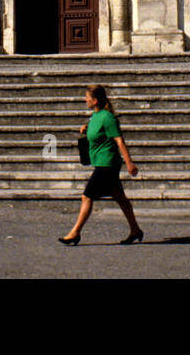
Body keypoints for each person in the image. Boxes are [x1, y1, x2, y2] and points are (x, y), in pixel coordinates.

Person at [58, 83, 143, 246]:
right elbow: (97, 130)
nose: (85, 100)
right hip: (100, 162)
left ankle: (75, 232)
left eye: (87, 98)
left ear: (95, 100)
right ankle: (135, 229)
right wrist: (86, 129)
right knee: (119, 197)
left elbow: (119, 141)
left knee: (87, 196)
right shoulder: (95, 116)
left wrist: (129, 163)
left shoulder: (108, 117)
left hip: (108, 163)